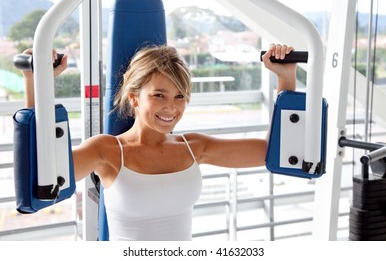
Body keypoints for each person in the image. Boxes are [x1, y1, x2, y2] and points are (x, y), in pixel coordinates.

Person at [21, 43, 296, 241]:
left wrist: (286, 78)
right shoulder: (105, 151)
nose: (171, 108)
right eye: (159, 95)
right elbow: (42, 174)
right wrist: (36, 80)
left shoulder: (193, 147)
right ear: (133, 98)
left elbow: (275, 152)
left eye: (179, 97)